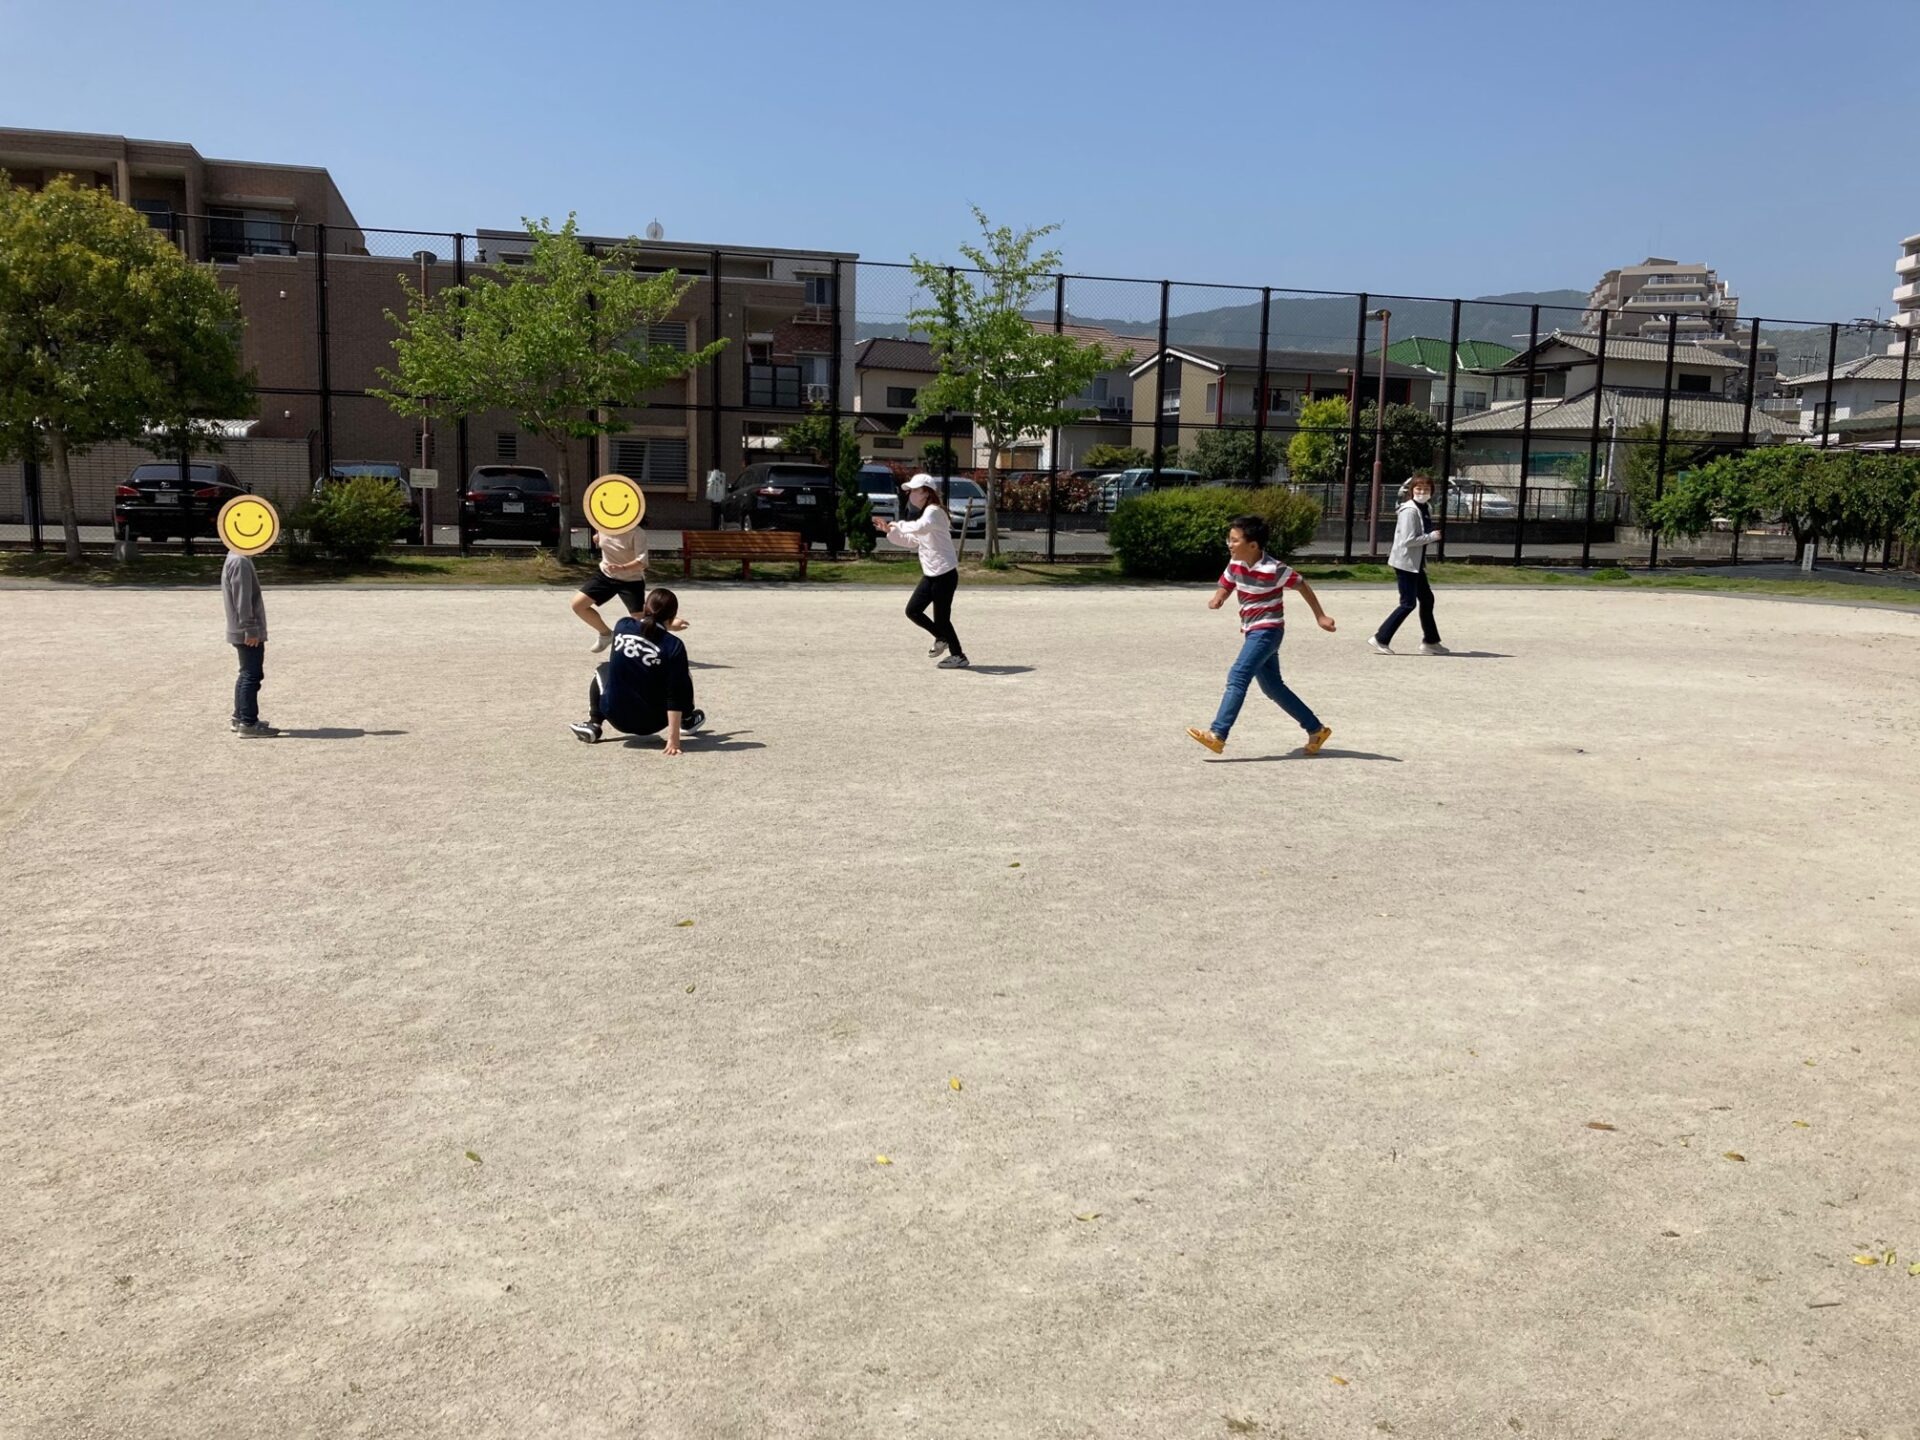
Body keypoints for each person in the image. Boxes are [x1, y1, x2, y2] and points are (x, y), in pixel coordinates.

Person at [1187, 514, 1335, 756]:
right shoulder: (1235, 563)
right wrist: (1219, 597)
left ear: (1253, 545)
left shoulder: (1274, 569)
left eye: (1234, 540)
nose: (1229, 544)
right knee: (1272, 687)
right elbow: (1227, 583)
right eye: (1229, 540)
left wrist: (1320, 616)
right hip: (1251, 631)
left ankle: (1218, 734)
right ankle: (1316, 729)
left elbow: (1302, 584)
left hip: (1268, 630)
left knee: (1238, 675)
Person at [569, 588, 705, 752]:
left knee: (604, 669)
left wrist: (666, 625)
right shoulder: (673, 645)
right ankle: (688, 720)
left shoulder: (622, 626)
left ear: (644, 607)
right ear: (673, 615)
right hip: (654, 722)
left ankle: (594, 723)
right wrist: (674, 740)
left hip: (615, 716)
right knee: (682, 676)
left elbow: (643, 627)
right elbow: (674, 694)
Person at [873, 473, 969, 669]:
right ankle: (941, 638)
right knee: (913, 611)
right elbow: (911, 541)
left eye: (915, 490)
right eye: (910, 491)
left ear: (927, 492)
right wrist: (890, 532)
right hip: (931, 574)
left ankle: (958, 655)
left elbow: (919, 527)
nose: (910, 494)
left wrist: (896, 524)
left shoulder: (934, 511)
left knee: (942, 619)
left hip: (945, 574)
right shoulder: (925, 513)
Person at [572, 520, 683, 652]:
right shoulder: (604, 524)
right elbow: (600, 539)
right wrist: (598, 537)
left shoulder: (637, 532)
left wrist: (622, 567)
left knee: (640, 619)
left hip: (631, 580)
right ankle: (606, 634)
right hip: (606, 575)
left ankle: (666, 626)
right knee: (578, 605)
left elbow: (642, 562)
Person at [1370, 473, 1447, 655]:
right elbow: (1408, 540)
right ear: (1412, 491)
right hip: (1405, 562)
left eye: (1426, 489)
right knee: (1408, 603)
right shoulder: (1410, 511)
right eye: (1418, 489)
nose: (1422, 492)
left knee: (1427, 599)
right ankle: (1381, 638)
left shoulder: (1424, 507)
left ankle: (1431, 641)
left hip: (1416, 563)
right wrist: (1432, 537)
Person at [224, 543, 277, 738]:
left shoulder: (236, 557)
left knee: (246, 673)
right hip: (245, 631)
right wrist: (251, 628)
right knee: (252, 675)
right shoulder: (240, 562)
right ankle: (248, 722)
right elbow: (242, 600)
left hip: (239, 629)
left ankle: (240, 717)